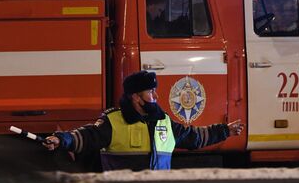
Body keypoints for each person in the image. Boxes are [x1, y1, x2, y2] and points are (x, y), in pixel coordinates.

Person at [43, 70, 243, 171]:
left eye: (154, 90)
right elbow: (86, 137)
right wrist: (61, 140)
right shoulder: (114, 121)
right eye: (150, 92)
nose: (155, 96)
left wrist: (225, 131)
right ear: (135, 97)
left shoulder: (163, 121)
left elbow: (193, 137)